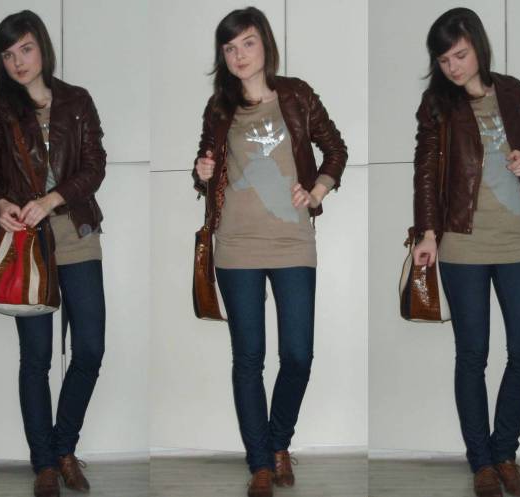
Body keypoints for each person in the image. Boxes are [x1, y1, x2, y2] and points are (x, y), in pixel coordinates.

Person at [192, 7, 347, 497]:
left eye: (248, 43)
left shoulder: (296, 95)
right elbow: (207, 167)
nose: (239, 55)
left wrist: (317, 191)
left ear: (265, 44)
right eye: (230, 48)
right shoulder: (219, 108)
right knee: (249, 358)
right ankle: (260, 462)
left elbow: (336, 150)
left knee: (298, 355)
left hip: (292, 241)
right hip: (236, 244)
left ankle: (279, 443)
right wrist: (200, 171)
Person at [412, 8, 520, 497]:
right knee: (473, 354)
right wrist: (427, 233)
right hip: (461, 241)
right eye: (444, 59)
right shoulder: (437, 104)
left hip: (514, 237)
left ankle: (504, 451)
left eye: (460, 55)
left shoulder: (512, 91)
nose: (452, 67)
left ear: (479, 47)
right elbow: (426, 172)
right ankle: (482, 462)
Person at [0, 10, 107, 497]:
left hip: (76, 235)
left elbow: (95, 166)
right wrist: (2, 205)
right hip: (27, 244)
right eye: (8, 54)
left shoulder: (77, 101)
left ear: (42, 48)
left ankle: (63, 448)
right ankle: (45, 464)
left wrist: (52, 199)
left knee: (89, 348)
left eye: (25, 49)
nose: (18, 61)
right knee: (36, 358)